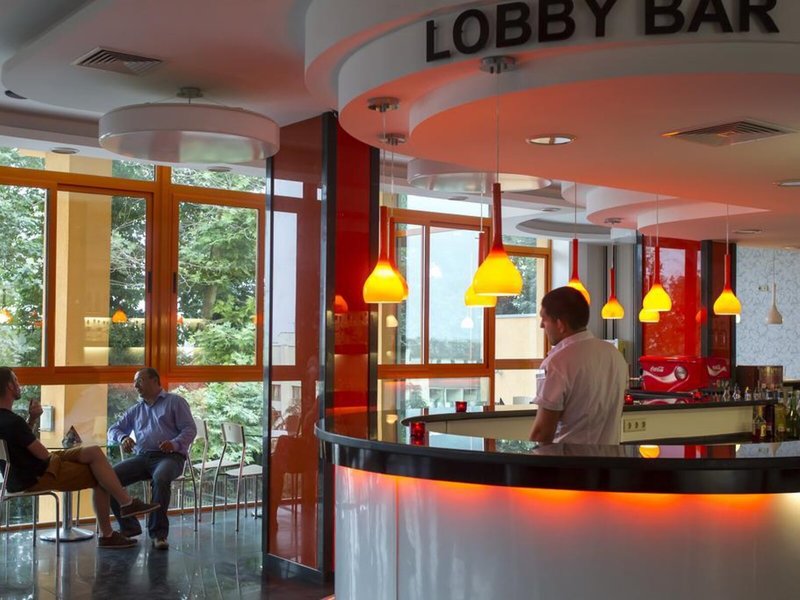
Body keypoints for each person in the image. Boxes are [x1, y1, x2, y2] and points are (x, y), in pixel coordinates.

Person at [0, 367, 159, 549]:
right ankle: (108, 533)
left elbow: (20, 442)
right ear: (9, 386)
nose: (19, 384)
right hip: (37, 475)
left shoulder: (7, 420)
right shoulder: (13, 422)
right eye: (16, 380)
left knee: (94, 452)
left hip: (16, 477)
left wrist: (32, 419)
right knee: (100, 476)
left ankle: (126, 503)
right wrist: (64, 460)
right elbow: (43, 455)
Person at [107, 368, 196, 550]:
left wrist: (174, 443)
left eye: (139, 381)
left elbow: (190, 429)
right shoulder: (136, 409)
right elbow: (113, 429)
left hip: (170, 457)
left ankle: (159, 534)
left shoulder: (175, 402)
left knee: (161, 477)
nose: (135, 386)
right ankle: (130, 527)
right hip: (143, 457)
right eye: (134, 382)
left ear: (155, 381)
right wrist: (123, 438)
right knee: (109, 478)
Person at [529, 286, 629, 445]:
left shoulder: (557, 363)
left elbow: (543, 432)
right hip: (609, 457)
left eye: (544, 319)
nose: (542, 325)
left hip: (568, 458)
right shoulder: (615, 356)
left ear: (560, 324)